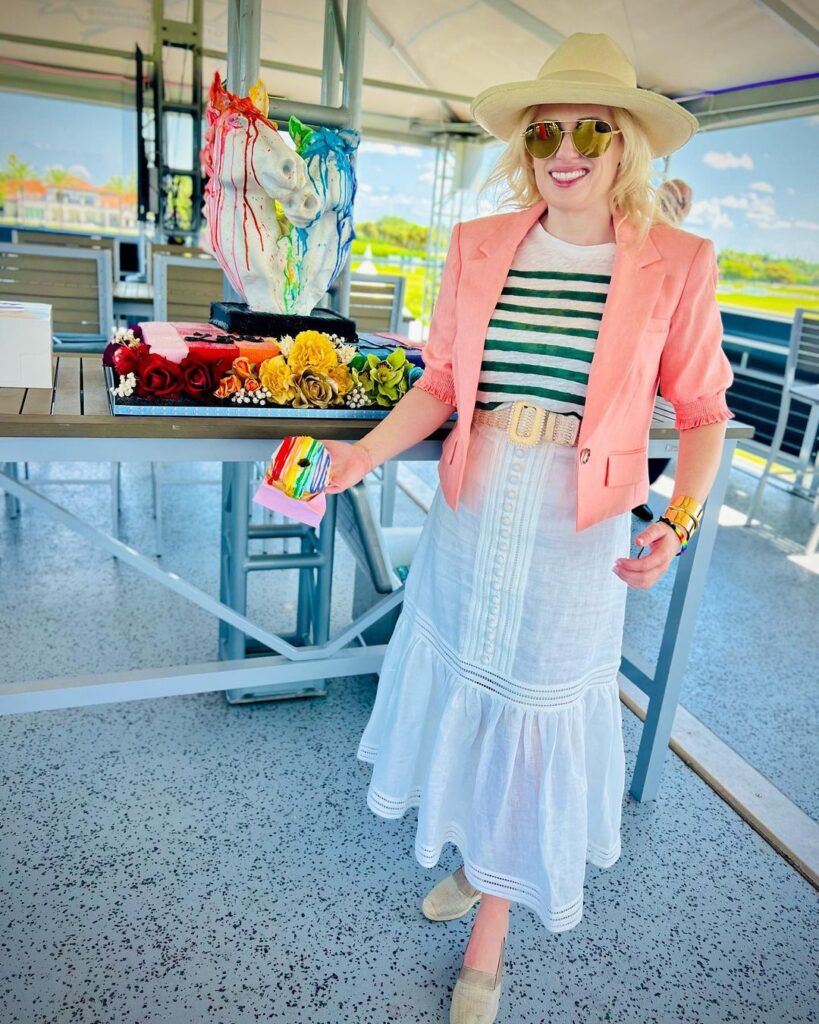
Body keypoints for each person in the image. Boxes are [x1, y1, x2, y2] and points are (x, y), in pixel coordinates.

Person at [323, 32, 735, 1024]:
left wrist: (675, 520)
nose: (566, 147)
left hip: (576, 521)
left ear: (627, 143)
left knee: (537, 712)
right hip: (477, 503)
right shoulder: (478, 244)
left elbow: (708, 410)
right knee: (470, 683)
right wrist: (365, 456)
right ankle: (481, 861)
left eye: (591, 127)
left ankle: (489, 942)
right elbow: (442, 386)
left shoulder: (678, 262)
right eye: (547, 128)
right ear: (526, 144)